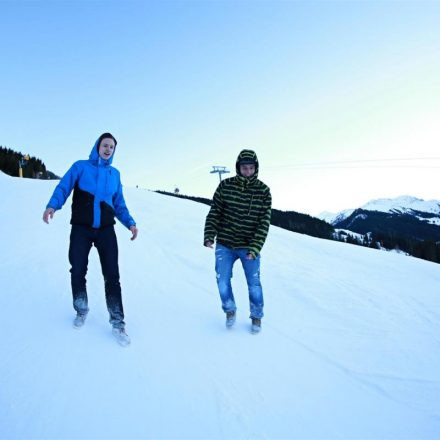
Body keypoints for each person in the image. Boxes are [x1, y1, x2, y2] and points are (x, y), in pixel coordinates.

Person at [43, 133, 138, 346]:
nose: (108, 149)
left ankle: (118, 323)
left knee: (112, 276)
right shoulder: (80, 167)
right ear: (97, 146)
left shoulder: (115, 174)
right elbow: (64, 187)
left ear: (114, 151)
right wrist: (53, 205)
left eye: (111, 147)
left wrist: (130, 223)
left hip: (106, 230)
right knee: (78, 269)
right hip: (81, 228)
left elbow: (119, 203)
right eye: (105, 145)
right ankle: (81, 308)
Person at [204, 149, 271, 333]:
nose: (247, 171)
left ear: (255, 168)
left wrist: (255, 248)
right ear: (238, 167)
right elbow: (214, 212)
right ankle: (230, 310)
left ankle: (256, 316)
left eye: (251, 168)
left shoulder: (263, 191)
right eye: (244, 168)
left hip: (249, 246)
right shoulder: (225, 186)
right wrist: (210, 235)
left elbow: (263, 223)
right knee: (222, 280)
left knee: (254, 283)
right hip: (225, 243)